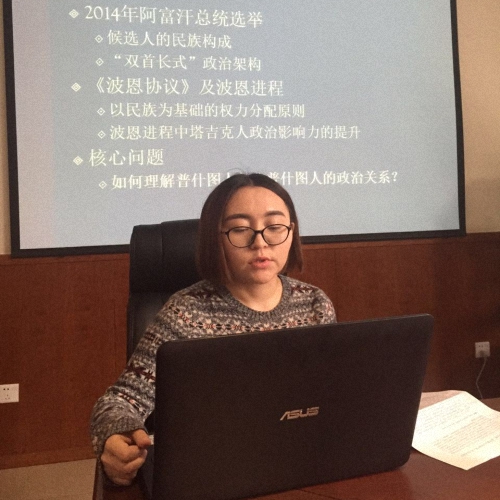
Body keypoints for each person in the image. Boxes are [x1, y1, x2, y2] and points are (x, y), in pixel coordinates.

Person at [90, 173, 336, 486]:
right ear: (215, 238)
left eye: (275, 227)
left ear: (292, 232)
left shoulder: (314, 303)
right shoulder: (187, 312)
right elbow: (117, 402)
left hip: (298, 464)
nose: (260, 242)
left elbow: (328, 396)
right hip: (217, 471)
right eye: (240, 229)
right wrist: (116, 435)